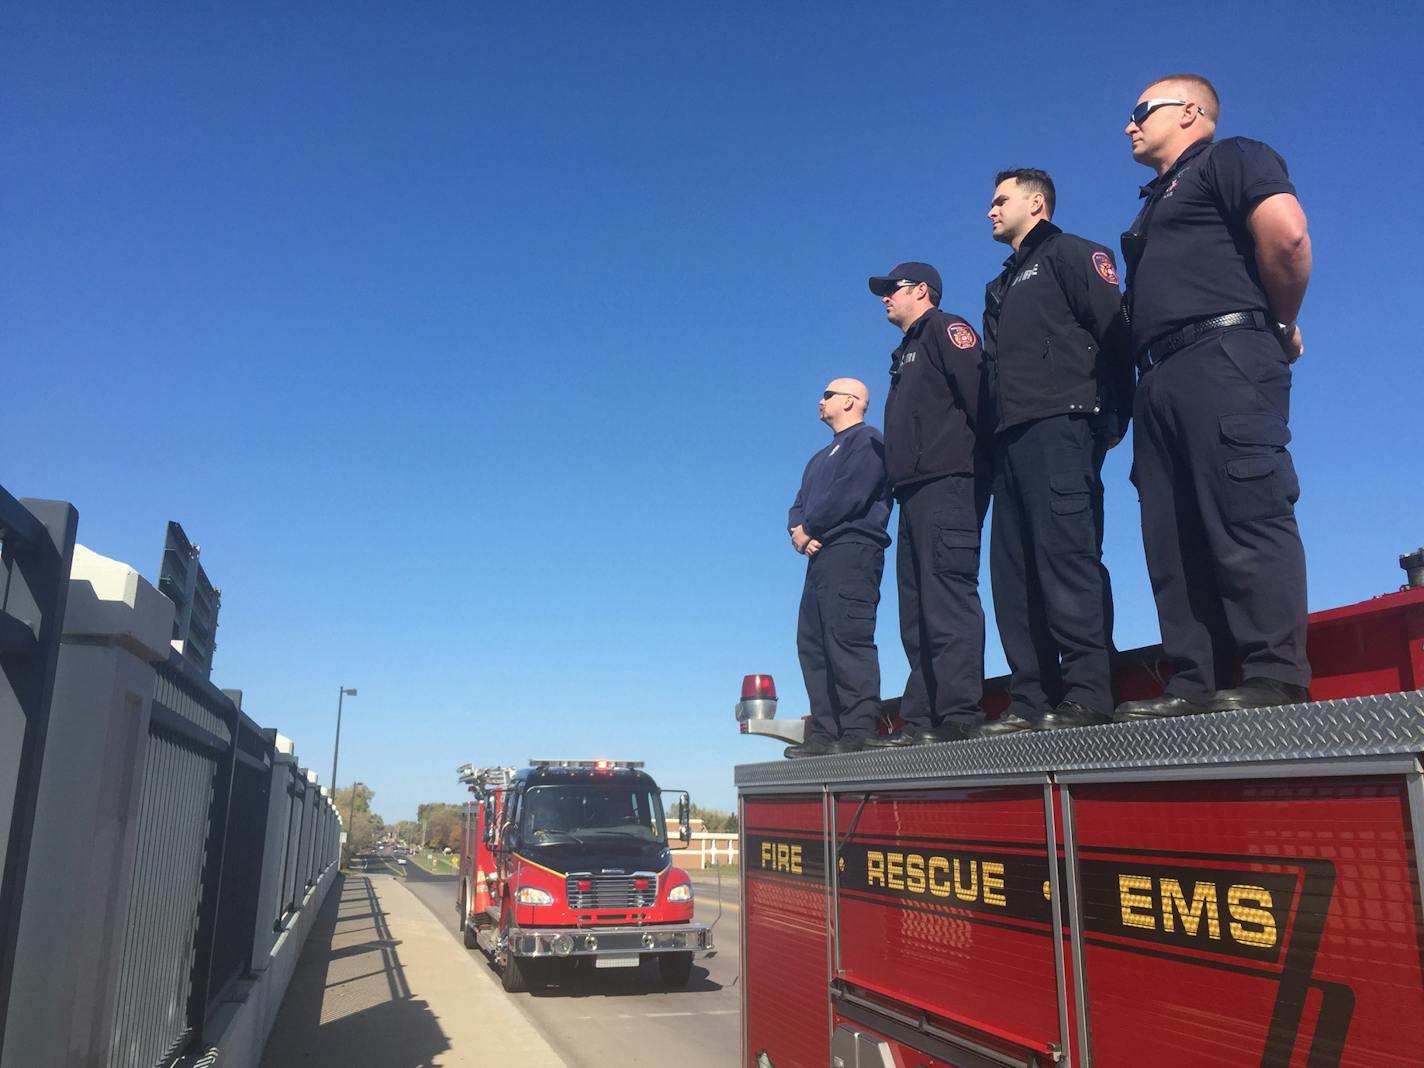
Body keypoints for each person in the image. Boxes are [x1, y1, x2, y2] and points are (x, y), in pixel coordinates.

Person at [1113, 74, 1312, 721]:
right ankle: (1193, 680)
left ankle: (1275, 676)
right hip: (1159, 378)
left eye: (1142, 110)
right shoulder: (1152, 205)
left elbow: (1287, 237)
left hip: (1223, 356)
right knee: (1171, 537)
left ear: (1191, 112)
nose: (1129, 124)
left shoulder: (1232, 159)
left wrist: (1279, 324)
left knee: (1244, 510)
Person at [978, 169, 1132, 735]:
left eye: (1000, 200)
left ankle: (1089, 693)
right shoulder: (999, 286)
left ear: (1036, 202)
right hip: (1011, 441)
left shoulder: (1072, 254)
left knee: (1067, 557)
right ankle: (1031, 699)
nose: (990, 211)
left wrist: (1111, 421)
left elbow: (1116, 336)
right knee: (1013, 573)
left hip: (1064, 426)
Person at [862, 263, 991, 747]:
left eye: (891, 289)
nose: (884, 298)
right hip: (913, 492)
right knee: (915, 609)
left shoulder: (945, 330)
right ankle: (921, 720)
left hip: (949, 483)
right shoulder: (905, 351)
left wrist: (975, 467)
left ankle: (959, 714)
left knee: (947, 599)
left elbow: (981, 398)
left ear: (921, 291)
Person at [785, 378, 891, 757]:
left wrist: (810, 527)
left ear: (851, 401)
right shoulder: (818, 458)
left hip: (853, 549)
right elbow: (798, 505)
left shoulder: (869, 442)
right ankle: (825, 732)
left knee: (848, 636)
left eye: (827, 394)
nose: (820, 400)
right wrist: (798, 530)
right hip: (819, 557)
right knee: (811, 641)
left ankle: (859, 728)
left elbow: (852, 493)